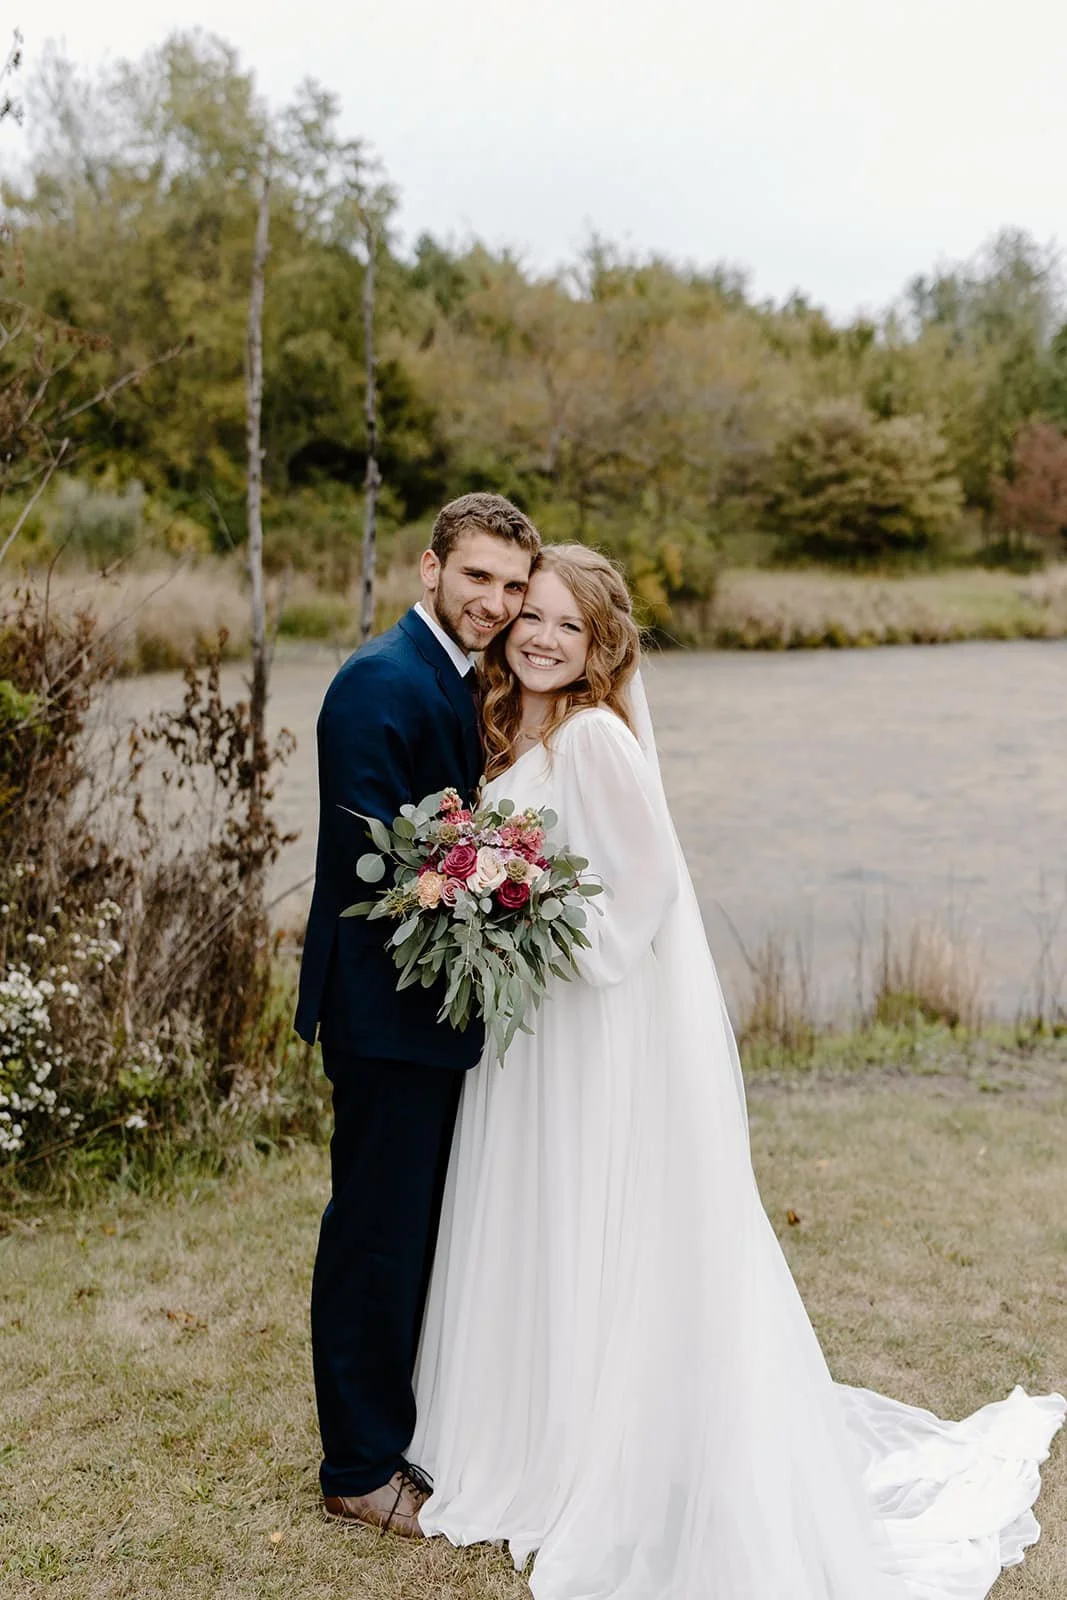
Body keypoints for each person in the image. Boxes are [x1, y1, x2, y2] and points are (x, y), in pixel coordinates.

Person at [412, 544, 1064, 1599]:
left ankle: (581, 1443)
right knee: (537, 1208)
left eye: (569, 626)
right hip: (531, 1028)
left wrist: (529, 926)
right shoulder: (513, 728)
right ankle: (522, 1425)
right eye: (531, 615)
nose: (540, 637)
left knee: (584, 1206)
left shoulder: (592, 739)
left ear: (599, 645)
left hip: (584, 1018)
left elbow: (646, 891)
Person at [294, 492, 541, 1535]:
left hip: (436, 1009)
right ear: (429, 568)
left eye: (512, 585)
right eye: (477, 576)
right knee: (376, 1235)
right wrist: (496, 878)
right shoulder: (377, 682)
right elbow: (379, 865)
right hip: (385, 1011)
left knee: (416, 1229)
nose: (495, 602)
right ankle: (356, 1469)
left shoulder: (465, 679)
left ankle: (401, 1430)